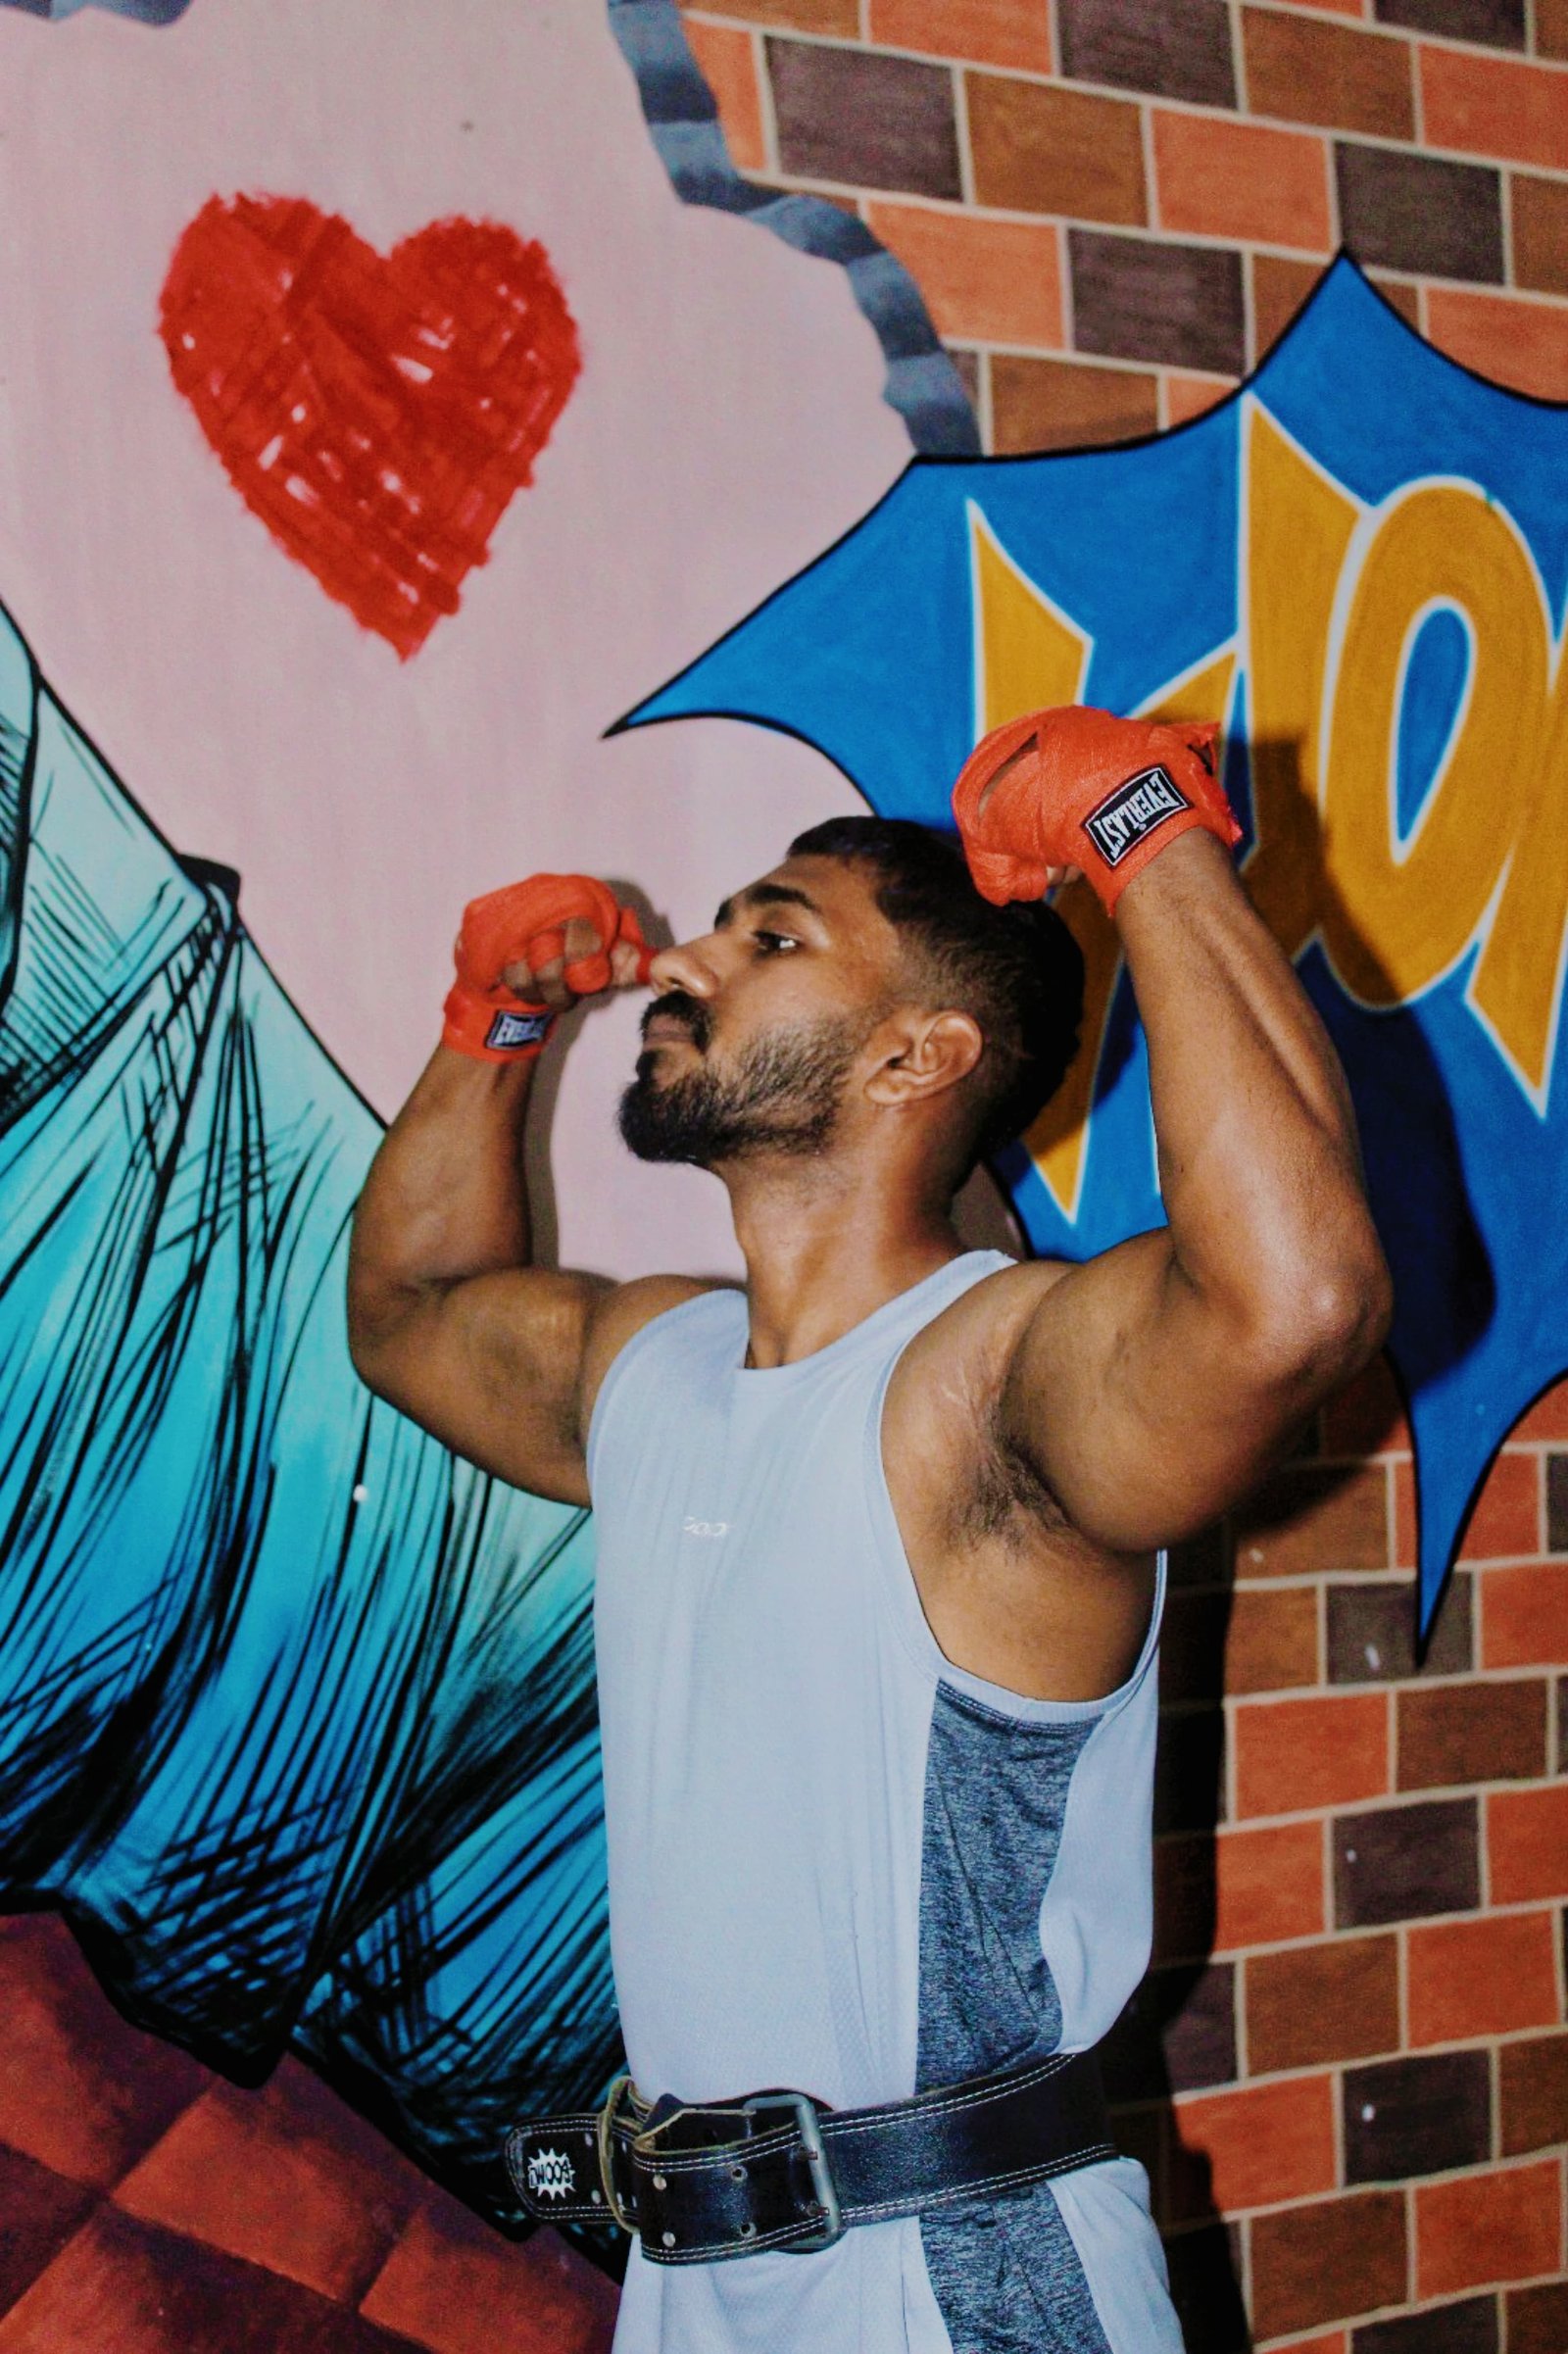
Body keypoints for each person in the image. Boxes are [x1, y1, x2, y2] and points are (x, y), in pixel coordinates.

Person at [347, 708, 1392, 2353]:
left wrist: (1146, 832)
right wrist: (492, 1028)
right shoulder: (655, 1362)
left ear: (917, 1056)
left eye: (771, 936)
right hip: (687, 2287)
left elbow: (1298, 1297)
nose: (685, 956)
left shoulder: (992, 1379)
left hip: (956, 2275)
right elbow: (408, 1311)